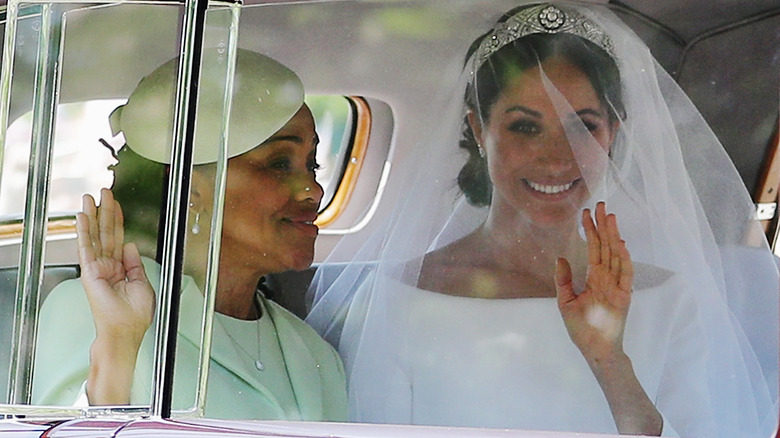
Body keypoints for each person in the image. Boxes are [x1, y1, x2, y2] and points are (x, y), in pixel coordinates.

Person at [306, 2, 779, 436]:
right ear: (478, 128)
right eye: (525, 126)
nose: (557, 159)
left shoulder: (672, 302)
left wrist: (610, 363)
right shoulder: (396, 298)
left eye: (583, 126)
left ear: (612, 133)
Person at [32, 49, 348, 421]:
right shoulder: (95, 308)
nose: (313, 190)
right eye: (280, 163)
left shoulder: (317, 354)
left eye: (312, 165)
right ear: (192, 191)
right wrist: (117, 347)